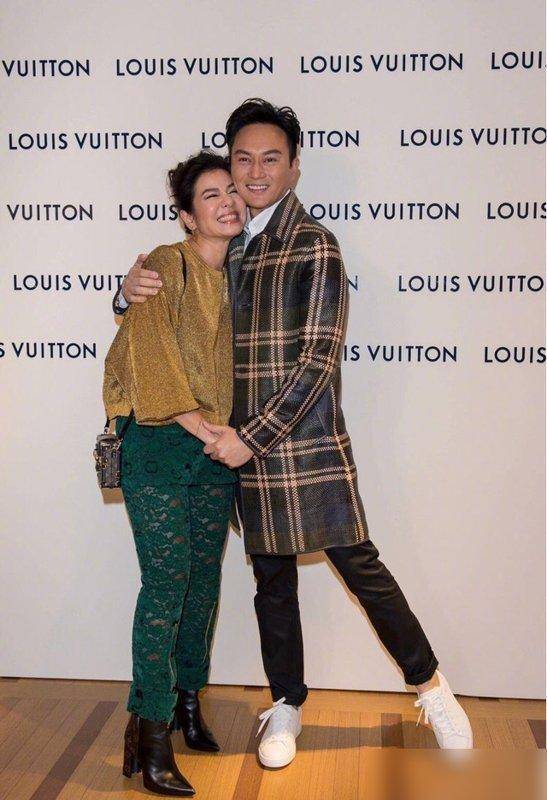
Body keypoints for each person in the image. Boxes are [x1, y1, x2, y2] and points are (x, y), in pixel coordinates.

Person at [114, 99, 473, 766]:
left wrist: (250, 438)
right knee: (271, 584)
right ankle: (285, 703)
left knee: (360, 567)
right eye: (242, 159)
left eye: (269, 159)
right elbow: (171, 306)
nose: (254, 172)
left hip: (300, 446)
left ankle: (431, 687)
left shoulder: (314, 244)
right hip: (234, 453)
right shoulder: (228, 243)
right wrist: (126, 289)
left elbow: (318, 360)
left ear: (294, 168)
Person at [104, 151, 245, 795]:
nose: (227, 202)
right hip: (161, 444)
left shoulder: (241, 272)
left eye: (231, 191)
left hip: (216, 452)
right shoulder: (165, 263)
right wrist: (206, 428)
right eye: (210, 195)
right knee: (166, 585)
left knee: (204, 584)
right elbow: (152, 352)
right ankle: (151, 729)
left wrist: (226, 438)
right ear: (187, 216)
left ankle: (189, 701)